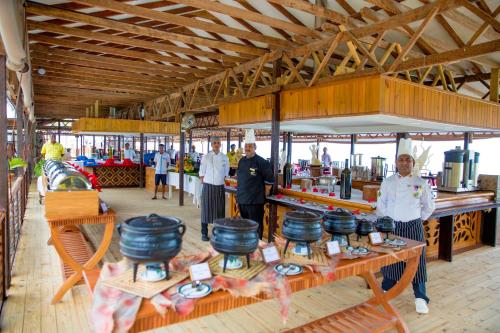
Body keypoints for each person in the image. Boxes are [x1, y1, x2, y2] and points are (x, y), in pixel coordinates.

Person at [377, 138, 435, 314]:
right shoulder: (388, 182)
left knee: (417, 262)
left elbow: (429, 206)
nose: (404, 162)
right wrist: (388, 219)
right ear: (396, 162)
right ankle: (385, 291)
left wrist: (416, 218)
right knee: (391, 260)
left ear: (413, 162)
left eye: (407, 159)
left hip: (413, 227)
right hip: (393, 227)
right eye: (401, 159)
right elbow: (381, 203)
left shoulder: (421, 182)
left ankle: (420, 297)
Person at [236, 129, 273, 239]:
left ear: (255, 148)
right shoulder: (241, 161)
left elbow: (269, 181)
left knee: (256, 226)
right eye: (246, 146)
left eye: (250, 146)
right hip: (242, 199)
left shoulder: (262, 162)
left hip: (255, 201)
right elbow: (240, 179)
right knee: (245, 226)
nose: (247, 148)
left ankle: (257, 247)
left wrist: (265, 195)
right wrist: (238, 199)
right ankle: (247, 246)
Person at [199, 136, 229, 241]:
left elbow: (226, 174)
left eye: (218, 143)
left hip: (220, 186)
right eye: (214, 143)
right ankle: (204, 233)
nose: (216, 144)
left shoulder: (225, 157)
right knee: (206, 209)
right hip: (208, 186)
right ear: (211, 145)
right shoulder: (206, 157)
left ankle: (218, 233)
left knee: (219, 211)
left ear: (220, 144)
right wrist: (205, 183)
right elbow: (201, 174)